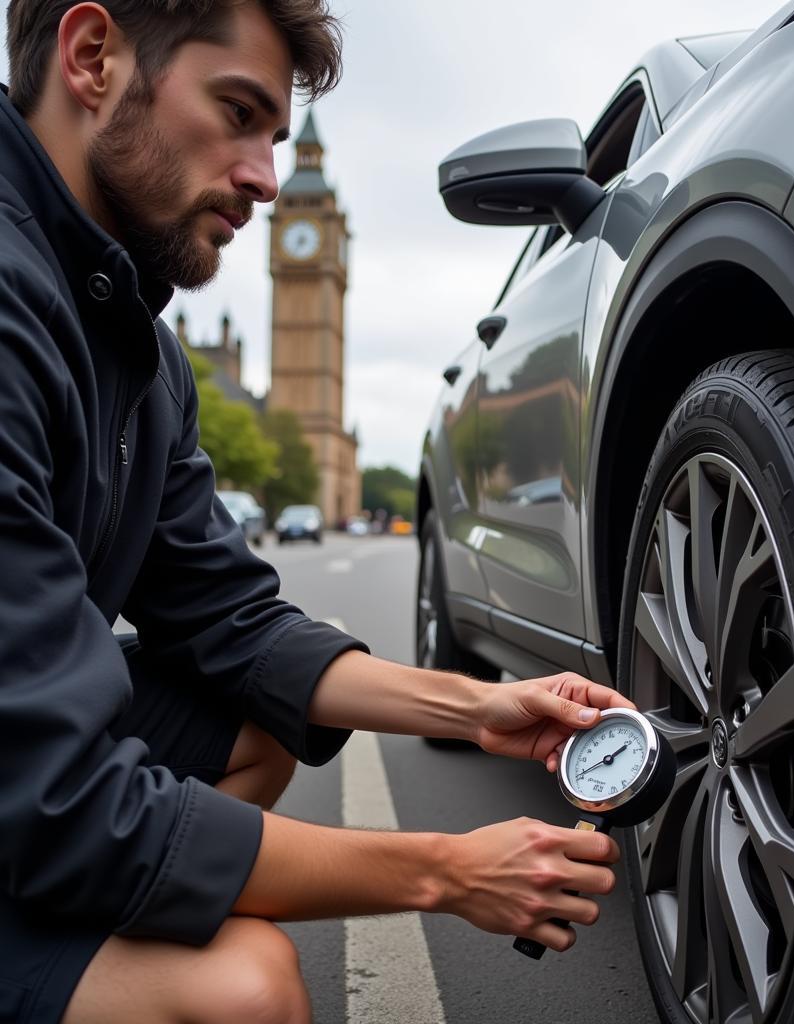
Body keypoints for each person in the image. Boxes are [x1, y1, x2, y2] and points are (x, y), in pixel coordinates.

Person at [0, 2, 634, 1022]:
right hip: (33, 800)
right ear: (92, 56)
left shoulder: (141, 344)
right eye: (237, 112)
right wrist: (442, 873)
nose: (260, 176)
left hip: (28, 801)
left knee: (264, 719)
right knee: (245, 985)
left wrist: (475, 709)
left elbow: (233, 620)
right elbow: (58, 796)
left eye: (277, 141)